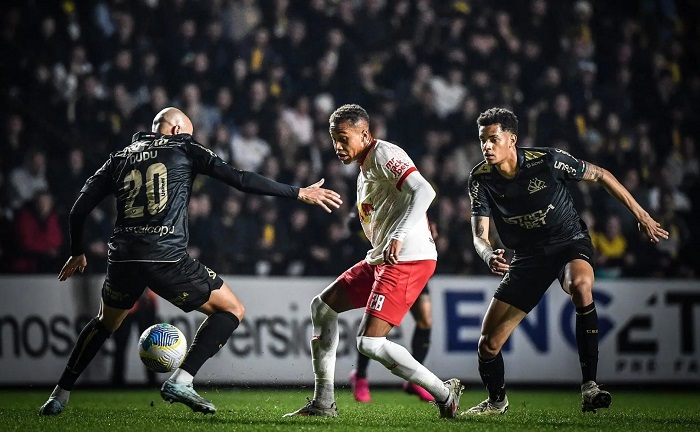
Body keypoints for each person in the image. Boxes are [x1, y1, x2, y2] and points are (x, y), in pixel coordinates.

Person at [39, 107, 343, 416]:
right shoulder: (184, 147)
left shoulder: (119, 157)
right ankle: (181, 380)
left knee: (104, 323)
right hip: (165, 256)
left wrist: (77, 251)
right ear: (176, 130)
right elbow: (240, 179)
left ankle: (59, 395)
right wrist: (297, 192)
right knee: (232, 309)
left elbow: (78, 209)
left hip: (123, 258)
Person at [463, 107, 668, 415]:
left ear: (512, 139)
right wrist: (488, 254)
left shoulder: (547, 160)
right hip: (528, 258)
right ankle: (496, 402)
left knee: (581, 286)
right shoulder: (480, 179)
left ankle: (590, 387)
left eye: (493, 139)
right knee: (487, 345)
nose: (487, 147)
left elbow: (601, 174)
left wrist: (642, 215)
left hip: (568, 243)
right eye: (483, 140)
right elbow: (479, 236)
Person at [284, 104, 463, 419]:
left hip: (407, 258)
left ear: (365, 135)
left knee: (369, 343)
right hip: (383, 258)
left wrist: (399, 235)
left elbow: (425, 191)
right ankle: (324, 402)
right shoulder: (365, 169)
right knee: (322, 308)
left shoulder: (382, 154)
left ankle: (445, 394)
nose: (338, 146)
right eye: (334, 139)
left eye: (344, 138)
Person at [350, 285, 434, 403]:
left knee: (425, 321)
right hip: (393, 277)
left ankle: (415, 380)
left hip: (416, 276)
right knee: (376, 326)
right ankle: (360, 376)